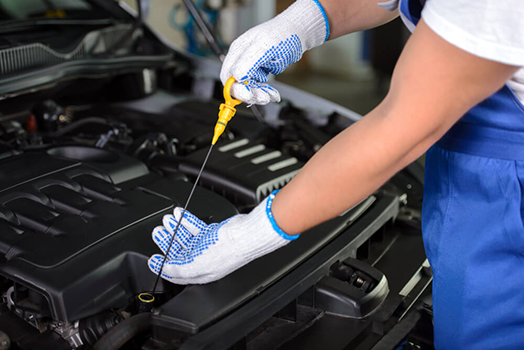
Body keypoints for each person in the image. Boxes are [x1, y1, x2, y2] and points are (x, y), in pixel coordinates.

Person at [148, 0, 524, 348]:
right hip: (463, 154)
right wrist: (298, 25)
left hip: (508, 181)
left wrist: (244, 238)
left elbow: (399, 128)